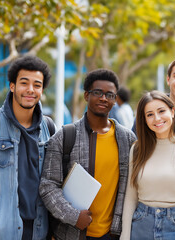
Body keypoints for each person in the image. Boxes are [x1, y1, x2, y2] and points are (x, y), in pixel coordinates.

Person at [39, 69, 136, 240]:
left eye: (110, 95)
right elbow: (48, 185)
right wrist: (74, 216)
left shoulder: (127, 139)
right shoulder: (65, 136)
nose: (104, 98)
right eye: (97, 92)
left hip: (112, 234)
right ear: (86, 95)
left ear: (115, 100)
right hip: (70, 233)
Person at [0, 55, 54, 239]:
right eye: (24, 83)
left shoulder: (49, 129)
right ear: (12, 86)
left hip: (39, 232)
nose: (30, 90)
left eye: (37, 85)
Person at [121, 91, 175, 240]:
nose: (157, 118)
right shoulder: (137, 149)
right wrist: (125, 235)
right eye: (150, 114)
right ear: (144, 119)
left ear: (172, 111)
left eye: (161, 111)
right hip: (141, 225)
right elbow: (131, 197)